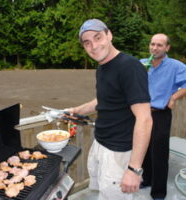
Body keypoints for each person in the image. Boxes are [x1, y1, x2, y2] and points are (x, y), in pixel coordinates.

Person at [66, 19, 153, 200]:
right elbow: (103, 100)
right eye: (87, 43)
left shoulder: (130, 67)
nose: (94, 46)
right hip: (101, 143)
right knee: (101, 193)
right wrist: (77, 110)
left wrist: (133, 169)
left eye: (98, 38)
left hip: (119, 153)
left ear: (109, 35)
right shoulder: (103, 66)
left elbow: (145, 119)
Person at [140, 33, 186, 200]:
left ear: (167, 48)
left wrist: (174, 97)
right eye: (152, 44)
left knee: (159, 153)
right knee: (143, 148)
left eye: (159, 45)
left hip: (161, 114)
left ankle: (159, 192)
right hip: (142, 114)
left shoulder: (175, 66)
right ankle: (147, 180)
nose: (154, 48)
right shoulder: (142, 64)